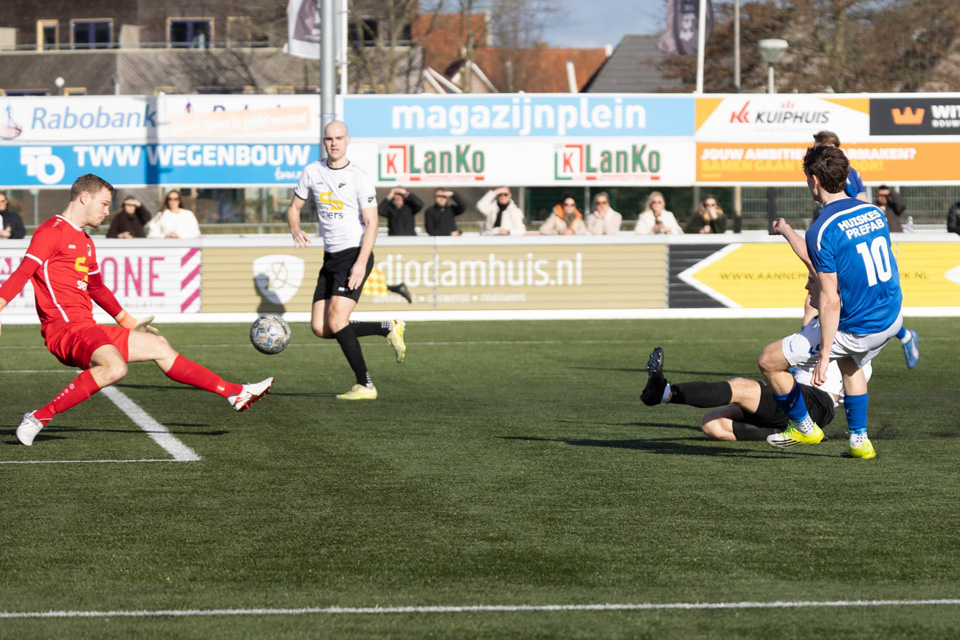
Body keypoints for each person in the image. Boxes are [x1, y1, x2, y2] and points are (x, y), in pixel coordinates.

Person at [1, 174, 272, 446]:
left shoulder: (86, 242)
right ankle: (39, 417)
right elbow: (23, 272)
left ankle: (234, 393)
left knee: (159, 345)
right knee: (114, 367)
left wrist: (128, 321)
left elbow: (97, 288)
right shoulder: (51, 230)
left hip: (86, 327)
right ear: (84, 197)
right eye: (104, 204)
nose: (107, 211)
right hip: (64, 330)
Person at [760, 144, 904, 459]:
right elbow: (820, 259)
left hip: (859, 327)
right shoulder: (873, 212)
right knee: (851, 362)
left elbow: (829, 300)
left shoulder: (822, 227)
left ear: (814, 181)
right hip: (892, 318)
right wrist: (786, 230)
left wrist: (824, 355)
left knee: (769, 361)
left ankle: (804, 427)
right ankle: (859, 441)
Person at [641, 275, 870, 442]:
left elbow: (825, 281)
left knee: (742, 387)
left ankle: (665, 393)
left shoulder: (847, 330)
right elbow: (811, 306)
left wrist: (789, 232)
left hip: (815, 403)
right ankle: (795, 434)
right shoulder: (815, 324)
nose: (807, 286)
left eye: (812, 280)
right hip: (790, 393)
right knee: (712, 424)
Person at [285, 120, 406, 401]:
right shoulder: (312, 171)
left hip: (354, 254)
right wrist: (295, 228)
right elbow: (293, 208)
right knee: (321, 328)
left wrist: (361, 263)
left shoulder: (358, 176)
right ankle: (388, 327)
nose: (334, 143)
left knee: (338, 319)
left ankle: (365, 384)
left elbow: (372, 223)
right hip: (330, 258)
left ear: (348, 140)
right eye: (329, 139)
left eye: (339, 138)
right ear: (324, 142)